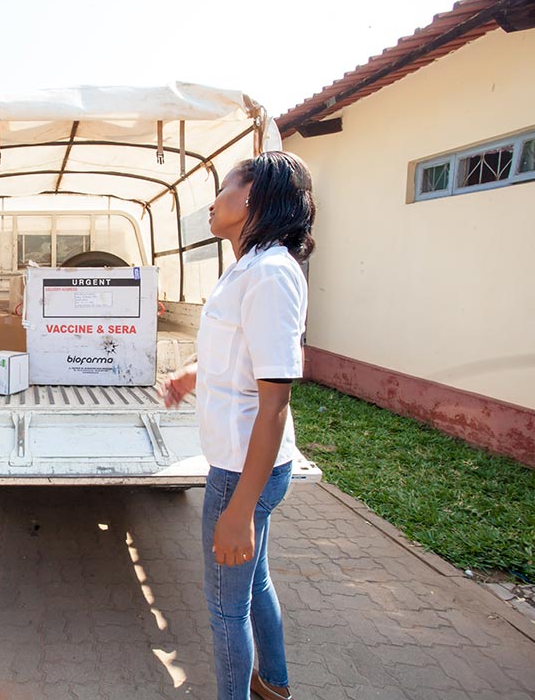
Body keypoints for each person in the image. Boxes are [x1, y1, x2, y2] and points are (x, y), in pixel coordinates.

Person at [164, 151, 315, 700]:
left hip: (241, 470)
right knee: (255, 583)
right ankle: (274, 684)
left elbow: (274, 402)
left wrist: (241, 510)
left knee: (227, 609)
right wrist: (193, 373)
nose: (213, 199)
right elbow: (245, 361)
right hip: (240, 462)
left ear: (253, 197)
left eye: (225, 186)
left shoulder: (272, 273)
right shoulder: (249, 267)